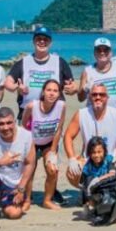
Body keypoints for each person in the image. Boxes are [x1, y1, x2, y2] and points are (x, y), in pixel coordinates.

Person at [64, 84, 116, 183]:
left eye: (102, 95)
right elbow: (68, 136)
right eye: (94, 94)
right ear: (89, 97)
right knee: (72, 172)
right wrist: (72, 158)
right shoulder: (81, 114)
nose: (98, 97)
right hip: (89, 158)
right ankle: (87, 189)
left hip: (111, 159)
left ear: (107, 97)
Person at [4, 26, 77, 119]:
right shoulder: (23, 62)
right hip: (27, 114)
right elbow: (8, 82)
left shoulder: (60, 62)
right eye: (38, 39)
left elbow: (73, 85)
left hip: (53, 114)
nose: (42, 41)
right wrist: (17, 88)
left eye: (45, 39)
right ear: (33, 41)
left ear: (50, 42)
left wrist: (72, 89)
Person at [21, 79, 65, 209]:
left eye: (55, 91)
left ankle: (47, 200)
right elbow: (23, 126)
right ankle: (27, 200)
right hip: (31, 141)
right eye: (49, 90)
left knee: (53, 170)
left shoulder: (61, 106)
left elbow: (59, 129)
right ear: (43, 92)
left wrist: (52, 152)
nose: (52, 93)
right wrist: (29, 146)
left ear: (59, 94)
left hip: (48, 142)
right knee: (29, 171)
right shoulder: (32, 106)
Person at [66, 137, 116, 213]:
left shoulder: (108, 160)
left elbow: (112, 174)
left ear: (104, 151)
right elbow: (82, 182)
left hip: (106, 186)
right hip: (92, 190)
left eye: (99, 152)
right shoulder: (88, 165)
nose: (96, 155)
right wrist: (78, 169)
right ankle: (88, 203)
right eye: (93, 152)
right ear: (89, 153)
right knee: (88, 179)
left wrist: (98, 179)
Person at [78, 37, 116, 110]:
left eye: (106, 50)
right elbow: (80, 98)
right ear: (94, 53)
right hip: (95, 116)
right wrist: (85, 89)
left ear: (111, 52)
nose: (102, 53)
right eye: (99, 50)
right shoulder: (87, 71)